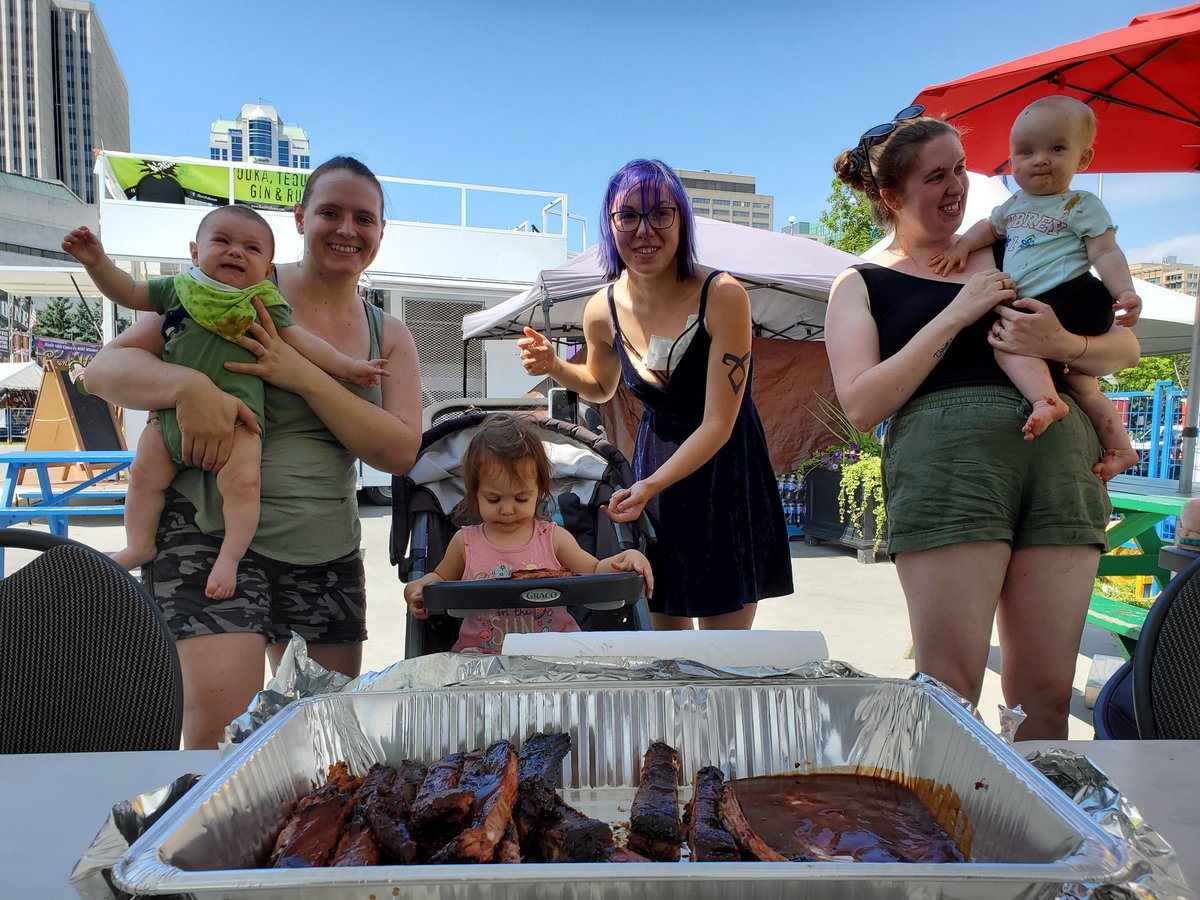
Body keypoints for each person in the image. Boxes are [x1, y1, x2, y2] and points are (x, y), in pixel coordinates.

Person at [83, 156, 422, 749]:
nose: (347, 229)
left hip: (324, 547)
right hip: (208, 532)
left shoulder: (388, 334)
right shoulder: (232, 287)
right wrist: (189, 387)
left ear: (380, 232)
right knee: (220, 738)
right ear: (300, 218)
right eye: (330, 212)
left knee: (325, 742)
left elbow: (399, 451)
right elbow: (102, 371)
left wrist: (301, 375)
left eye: (363, 218)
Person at [825, 108, 1139, 740]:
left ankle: (1038, 808)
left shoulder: (1021, 243)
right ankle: (952, 809)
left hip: (1063, 467)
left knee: (1047, 697)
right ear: (893, 196)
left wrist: (1064, 343)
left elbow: (1125, 350)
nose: (957, 187)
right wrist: (956, 313)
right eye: (936, 176)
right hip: (950, 470)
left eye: (961, 168)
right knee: (948, 694)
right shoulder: (861, 283)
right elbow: (861, 406)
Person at [518, 159, 792, 631]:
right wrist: (555, 367)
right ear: (610, 225)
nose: (645, 231)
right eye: (629, 216)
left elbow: (718, 424)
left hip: (725, 472)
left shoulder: (723, 295)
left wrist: (648, 486)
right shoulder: (601, 308)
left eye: (661, 213)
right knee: (665, 645)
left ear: (682, 220)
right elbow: (601, 385)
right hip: (655, 472)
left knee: (723, 653)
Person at [63, 209, 388, 600]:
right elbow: (128, 291)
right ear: (195, 252)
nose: (236, 252)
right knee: (144, 477)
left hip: (240, 422)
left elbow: (302, 342)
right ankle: (139, 544)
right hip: (169, 420)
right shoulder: (181, 288)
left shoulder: (261, 301)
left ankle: (230, 556)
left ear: (267, 269)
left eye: (251, 248)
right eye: (222, 241)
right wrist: (97, 263)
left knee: (244, 484)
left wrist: (349, 367)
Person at [930, 96, 1142, 479]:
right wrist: (963, 245)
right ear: (1012, 160)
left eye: (1057, 148)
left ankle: (1045, 401)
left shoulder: (1080, 204)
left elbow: (1106, 251)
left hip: (1072, 294)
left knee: (1007, 343)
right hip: (1048, 301)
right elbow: (988, 227)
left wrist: (1124, 291)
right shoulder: (1014, 204)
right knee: (1083, 385)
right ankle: (1121, 449)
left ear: (1083, 159)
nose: (1040, 160)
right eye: (1026, 152)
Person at [403, 414, 654, 654]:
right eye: (493, 499)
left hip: (552, 653)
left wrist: (627, 557)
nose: (507, 509)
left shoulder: (553, 538)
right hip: (483, 656)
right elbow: (439, 578)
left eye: (521, 498)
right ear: (474, 493)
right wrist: (416, 588)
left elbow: (595, 570)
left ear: (540, 492)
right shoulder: (465, 543)